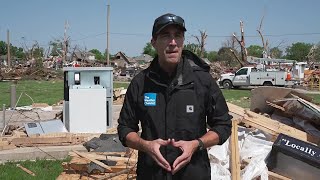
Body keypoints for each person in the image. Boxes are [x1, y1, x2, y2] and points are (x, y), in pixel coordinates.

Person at [117, 13, 232, 180]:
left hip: (194, 174)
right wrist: (146, 145)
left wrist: (196, 145)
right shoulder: (140, 83)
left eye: (177, 36)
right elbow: (125, 129)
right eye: (165, 35)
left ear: (183, 41)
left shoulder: (202, 81)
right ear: (154, 43)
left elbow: (223, 125)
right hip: (152, 175)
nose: (172, 42)